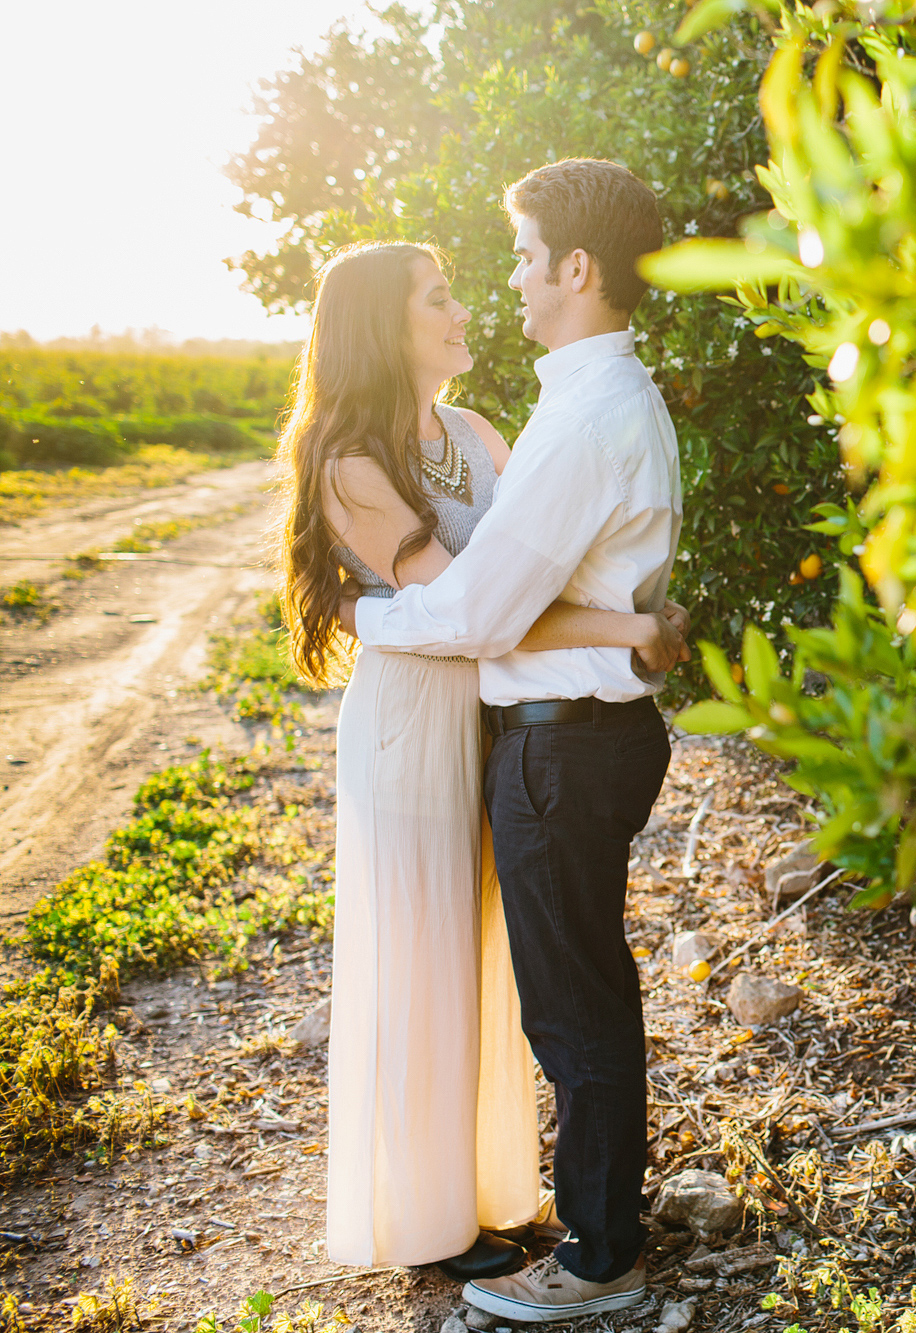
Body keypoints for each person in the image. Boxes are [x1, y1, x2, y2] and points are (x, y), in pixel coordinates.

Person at [276, 240, 685, 1280]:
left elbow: (516, 579)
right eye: (438, 297)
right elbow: (470, 615)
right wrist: (623, 626)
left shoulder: (475, 432)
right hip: (418, 722)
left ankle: (493, 1189)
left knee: (494, 963)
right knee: (425, 962)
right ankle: (428, 1220)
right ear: (384, 326)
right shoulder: (348, 459)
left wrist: (609, 614)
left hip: (497, 718)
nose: (465, 309)